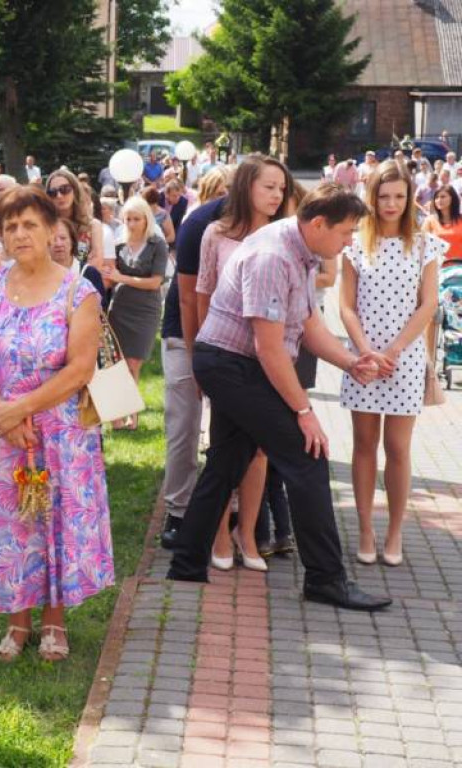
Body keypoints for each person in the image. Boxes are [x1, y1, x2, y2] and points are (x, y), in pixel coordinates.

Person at [167, 183, 393, 612]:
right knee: (309, 456)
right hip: (231, 365)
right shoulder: (273, 255)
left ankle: (186, 561)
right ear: (319, 223)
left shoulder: (302, 249)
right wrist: (304, 411)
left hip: (236, 364)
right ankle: (326, 580)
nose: (349, 242)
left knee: (227, 462)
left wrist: (352, 361)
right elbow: (270, 348)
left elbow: (307, 323)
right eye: (346, 232)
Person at [0, 184, 112, 661]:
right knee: (12, 524)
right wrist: (1, 414)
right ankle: (17, 622)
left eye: (29, 225)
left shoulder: (77, 291)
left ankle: (55, 622)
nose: (20, 234)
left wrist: (20, 409)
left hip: (59, 433)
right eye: (10, 227)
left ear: (52, 230)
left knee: (53, 519)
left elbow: (80, 369)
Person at [340, 161, 445, 566]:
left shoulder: (425, 245)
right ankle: (366, 529)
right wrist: (365, 351)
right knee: (364, 445)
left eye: (399, 196)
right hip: (363, 359)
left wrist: (397, 350)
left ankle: (395, 531)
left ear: (409, 197)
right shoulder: (354, 243)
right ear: (372, 196)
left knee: (397, 448)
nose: (391, 203)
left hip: (405, 357)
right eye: (383, 196)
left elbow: (429, 304)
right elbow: (346, 307)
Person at [195, 154, 292, 570]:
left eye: (282, 188)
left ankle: (248, 534)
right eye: (268, 186)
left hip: (270, 359)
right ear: (247, 185)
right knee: (223, 449)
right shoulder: (216, 233)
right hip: (224, 359)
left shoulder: (285, 236)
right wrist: (202, 359)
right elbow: (202, 293)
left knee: (259, 452)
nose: (276, 194)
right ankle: (219, 533)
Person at [158, 195, 227, 549]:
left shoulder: (274, 224)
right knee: (184, 421)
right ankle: (178, 509)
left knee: (233, 426)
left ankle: (235, 512)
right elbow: (187, 299)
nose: (274, 197)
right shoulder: (199, 224)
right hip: (184, 331)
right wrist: (196, 354)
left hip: (238, 335)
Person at [108, 196, 169, 429]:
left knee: (134, 364)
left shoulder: (157, 244)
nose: (131, 224)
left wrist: (121, 278)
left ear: (146, 219)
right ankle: (116, 418)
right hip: (120, 307)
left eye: (136, 219)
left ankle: (132, 416)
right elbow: (109, 275)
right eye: (127, 219)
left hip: (145, 310)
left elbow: (155, 282)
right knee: (117, 364)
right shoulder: (118, 244)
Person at [45, 169, 106, 269]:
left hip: (82, 280)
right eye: (53, 192)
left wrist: (70, 280)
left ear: (75, 191)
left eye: (64, 189)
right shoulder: (45, 226)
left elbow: (97, 262)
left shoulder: (92, 226)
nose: (59, 196)